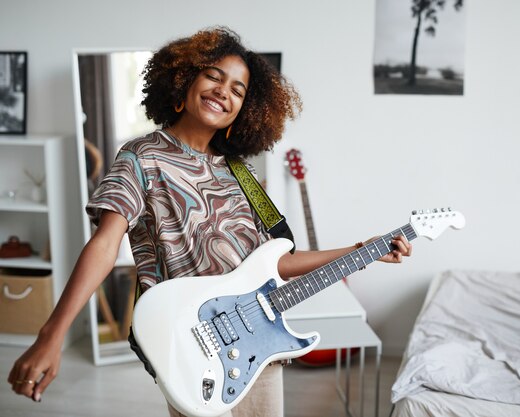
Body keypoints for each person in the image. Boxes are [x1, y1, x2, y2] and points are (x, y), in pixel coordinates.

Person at [7, 27, 412, 417]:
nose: (224, 91)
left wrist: (364, 251)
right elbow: (105, 244)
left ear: (245, 110)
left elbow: (277, 264)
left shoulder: (241, 174)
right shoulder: (141, 155)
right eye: (213, 77)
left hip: (258, 347)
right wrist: (52, 334)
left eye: (238, 90)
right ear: (183, 81)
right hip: (191, 348)